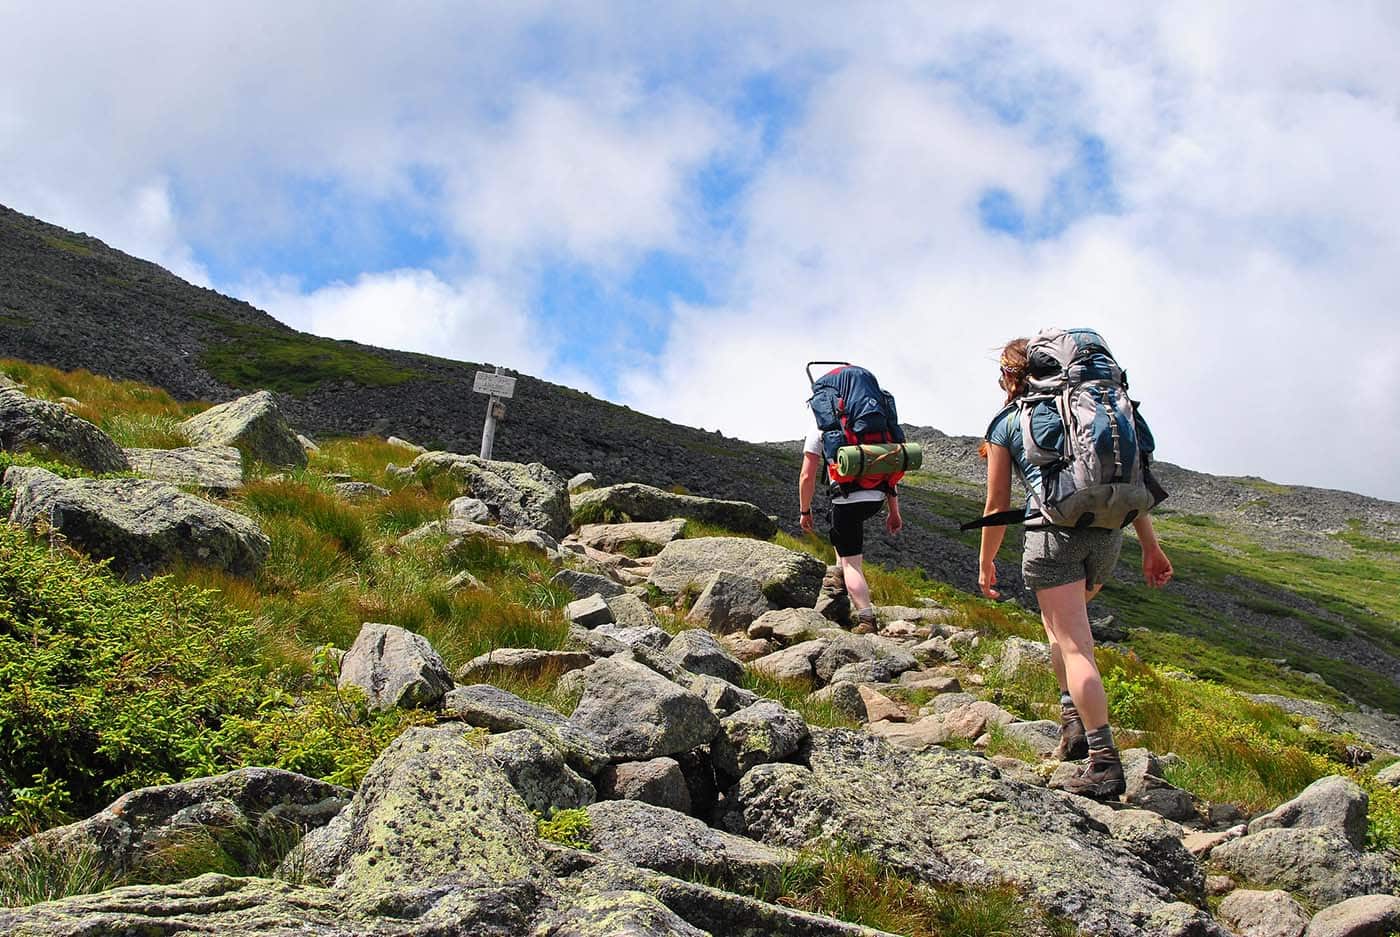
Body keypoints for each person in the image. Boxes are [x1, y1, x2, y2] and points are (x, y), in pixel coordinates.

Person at [978, 337, 1173, 799]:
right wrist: (1151, 548)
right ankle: (1074, 726)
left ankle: (1104, 764)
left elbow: (997, 502)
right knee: (1060, 634)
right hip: (1107, 537)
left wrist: (987, 560)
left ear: (1011, 375)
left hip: (1053, 539)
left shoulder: (1010, 422)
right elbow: (1131, 484)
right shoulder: (1102, 408)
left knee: (1076, 646)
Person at [799, 428, 903, 634]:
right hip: (876, 499)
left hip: (847, 501)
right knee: (840, 528)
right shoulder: (871, 428)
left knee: (852, 564)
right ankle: (839, 584)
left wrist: (805, 511)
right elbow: (890, 472)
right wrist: (894, 511)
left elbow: (806, 476)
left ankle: (867, 620)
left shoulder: (822, 428)